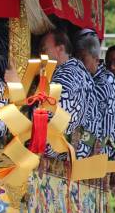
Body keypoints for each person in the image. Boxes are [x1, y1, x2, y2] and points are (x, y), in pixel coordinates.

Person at [40, 28, 99, 159]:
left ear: (60, 49)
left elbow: (54, 120)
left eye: (44, 49)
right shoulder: (84, 74)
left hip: (63, 154)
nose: (41, 55)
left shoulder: (64, 77)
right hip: (82, 154)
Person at [75, 30, 115, 155]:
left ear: (95, 58)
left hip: (94, 151)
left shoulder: (104, 82)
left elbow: (109, 121)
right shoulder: (83, 77)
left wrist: (97, 149)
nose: (79, 63)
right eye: (77, 58)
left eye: (83, 58)